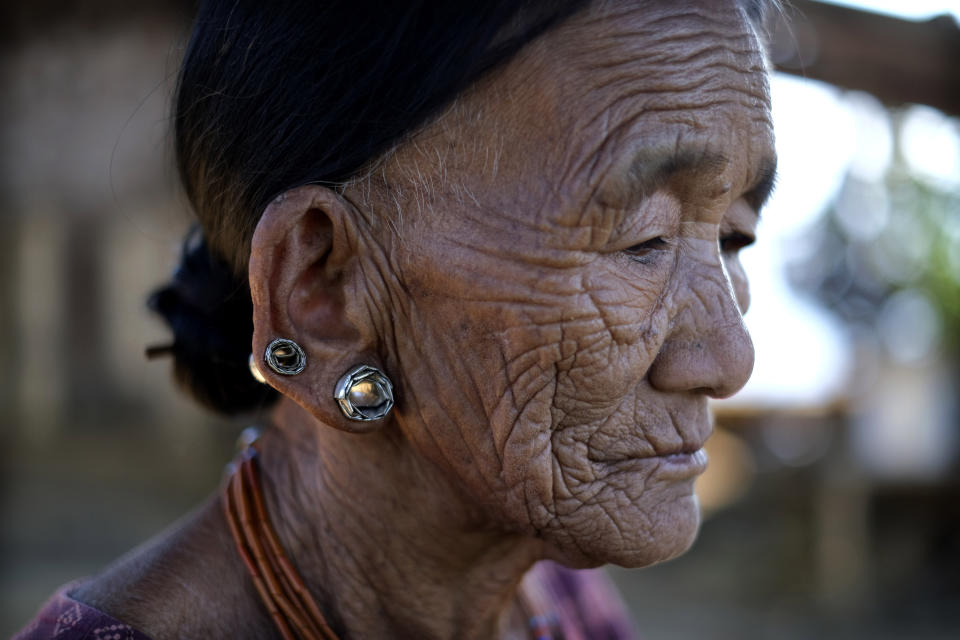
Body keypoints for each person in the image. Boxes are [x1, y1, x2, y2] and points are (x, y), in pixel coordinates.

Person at [15, 0, 778, 638]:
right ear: (325, 292)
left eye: (735, 236)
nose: (728, 358)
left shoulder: (564, 608)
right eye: (642, 241)